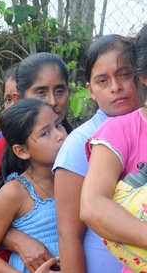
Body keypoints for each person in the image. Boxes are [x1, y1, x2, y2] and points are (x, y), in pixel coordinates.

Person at [53, 35, 139, 273]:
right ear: (90, 90)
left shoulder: (140, 127)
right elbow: (69, 235)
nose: (115, 87)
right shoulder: (80, 142)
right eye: (103, 81)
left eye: (124, 74)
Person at [80, 25, 147, 273]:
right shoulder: (120, 131)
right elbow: (92, 206)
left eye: (122, 75)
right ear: (144, 77)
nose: (116, 87)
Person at [0, 99, 65, 273]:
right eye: (45, 133)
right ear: (22, 151)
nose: (59, 135)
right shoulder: (15, 192)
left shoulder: (75, 178)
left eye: (58, 125)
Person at [14, 53, 73, 133]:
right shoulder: (1, 144)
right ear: (19, 99)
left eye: (59, 91)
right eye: (41, 92)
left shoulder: (81, 142)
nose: (52, 102)